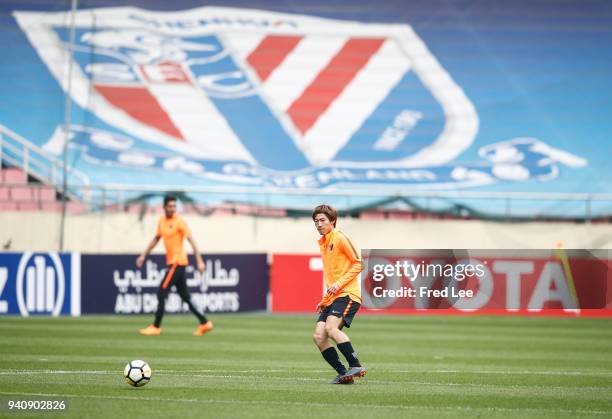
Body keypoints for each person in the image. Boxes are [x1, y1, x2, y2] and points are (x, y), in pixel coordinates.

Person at [137, 194, 213, 336]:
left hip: (177, 263)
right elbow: (156, 239)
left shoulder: (179, 221)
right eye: (170, 206)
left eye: (174, 206)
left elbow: (192, 241)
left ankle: (156, 326)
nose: (172, 209)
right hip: (175, 263)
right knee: (185, 296)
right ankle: (205, 323)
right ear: (164, 207)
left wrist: (200, 261)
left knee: (161, 292)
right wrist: (143, 255)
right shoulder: (161, 221)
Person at [312, 204, 367, 384]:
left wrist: (339, 285)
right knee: (319, 336)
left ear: (333, 221)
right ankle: (344, 374)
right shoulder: (324, 242)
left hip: (348, 294)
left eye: (322, 220)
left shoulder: (340, 237)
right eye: (316, 221)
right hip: (334, 297)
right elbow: (332, 276)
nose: (319, 224)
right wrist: (325, 300)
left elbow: (359, 263)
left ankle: (355, 364)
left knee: (330, 328)